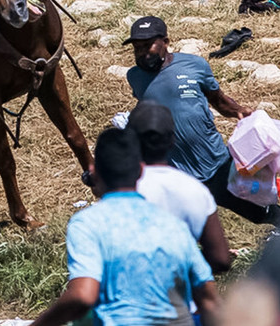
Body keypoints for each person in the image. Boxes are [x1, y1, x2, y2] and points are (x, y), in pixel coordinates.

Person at [32, 128, 221, 326]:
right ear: (140, 171)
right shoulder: (173, 225)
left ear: (94, 173)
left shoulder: (88, 223)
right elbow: (209, 301)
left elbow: (83, 295)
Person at [123, 16, 280, 228]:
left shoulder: (194, 65)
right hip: (175, 170)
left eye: (148, 45)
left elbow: (219, 101)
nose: (142, 52)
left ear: (165, 42)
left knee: (258, 212)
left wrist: (239, 111)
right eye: (137, 48)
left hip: (214, 164)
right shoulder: (135, 77)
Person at [128, 101, 233, 273]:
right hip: (177, 293)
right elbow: (221, 259)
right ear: (172, 140)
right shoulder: (194, 189)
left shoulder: (123, 189)